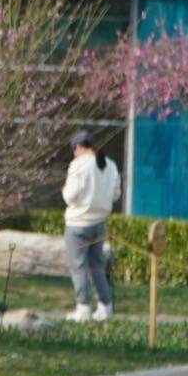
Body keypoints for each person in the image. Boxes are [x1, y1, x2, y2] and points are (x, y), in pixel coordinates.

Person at [62, 131, 121, 322]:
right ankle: (106, 306)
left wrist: (64, 191)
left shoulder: (78, 165)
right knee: (97, 266)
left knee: (78, 265)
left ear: (78, 147)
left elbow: (70, 195)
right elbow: (115, 195)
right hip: (99, 223)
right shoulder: (110, 164)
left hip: (78, 223)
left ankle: (83, 308)